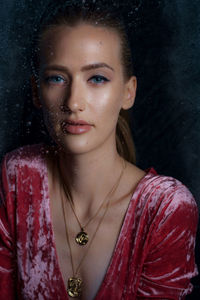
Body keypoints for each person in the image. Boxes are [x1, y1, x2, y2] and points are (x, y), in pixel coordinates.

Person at [0, 1, 198, 299]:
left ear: (128, 92)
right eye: (57, 78)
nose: (74, 101)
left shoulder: (165, 209)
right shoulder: (18, 176)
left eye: (97, 78)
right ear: (36, 92)